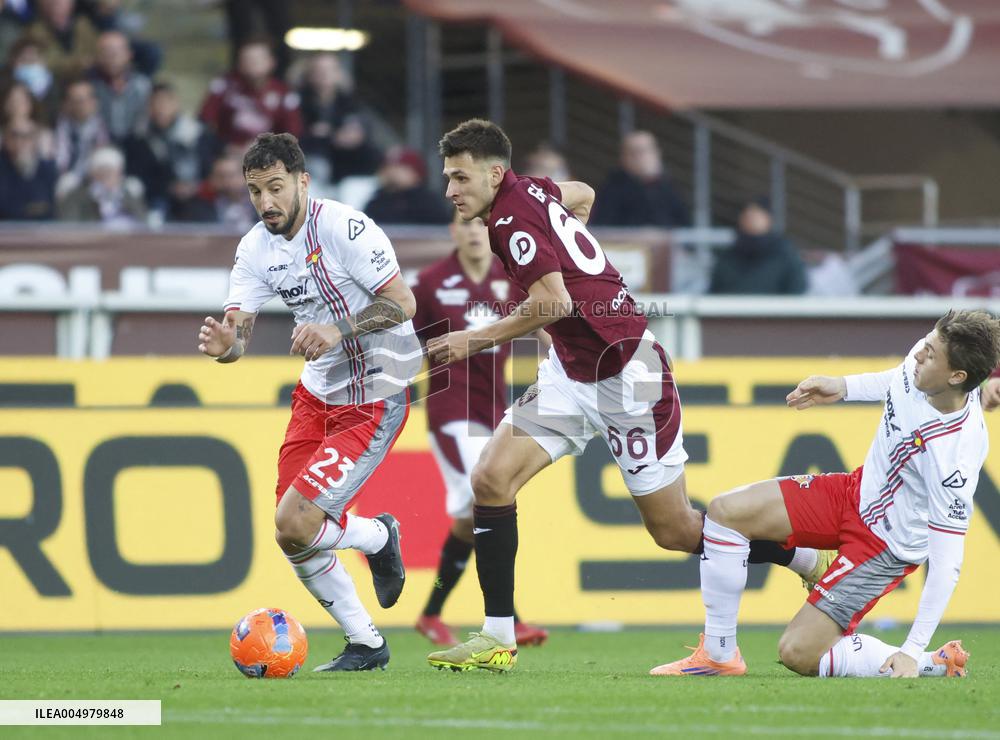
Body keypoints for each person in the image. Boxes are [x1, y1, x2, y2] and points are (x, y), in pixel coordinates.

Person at [424, 119, 812, 673]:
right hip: (572, 372)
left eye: (459, 178)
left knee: (674, 530)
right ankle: (496, 636)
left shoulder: (510, 219)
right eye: (447, 178)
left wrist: (474, 339)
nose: (450, 190)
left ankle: (802, 556)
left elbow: (553, 304)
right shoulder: (531, 190)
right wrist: (571, 242)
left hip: (627, 376)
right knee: (490, 479)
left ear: (493, 173)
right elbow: (583, 195)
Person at [651, 309, 1000, 678]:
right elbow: (898, 381)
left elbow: (947, 564)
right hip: (853, 493)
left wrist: (913, 649)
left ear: (957, 376)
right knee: (726, 512)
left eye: (930, 354)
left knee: (798, 653)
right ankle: (719, 656)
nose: (918, 354)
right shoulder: (926, 364)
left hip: (883, 548)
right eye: (926, 343)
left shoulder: (957, 455)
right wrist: (844, 386)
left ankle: (930, 662)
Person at [196, 132, 422, 672]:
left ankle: (376, 537)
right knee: (289, 530)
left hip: (376, 392)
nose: (266, 202)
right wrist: (229, 350)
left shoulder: (346, 228)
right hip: (317, 393)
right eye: (255, 192)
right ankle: (366, 640)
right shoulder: (254, 247)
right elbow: (239, 333)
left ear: (302, 181)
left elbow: (404, 304)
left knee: (299, 521)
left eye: (276, 188)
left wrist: (337, 329)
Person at [410, 208, 549, 648]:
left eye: (478, 224)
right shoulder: (432, 282)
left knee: (472, 518)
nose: (473, 232)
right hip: (450, 411)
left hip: (494, 413)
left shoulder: (512, 281)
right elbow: (405, 344)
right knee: (483, 497)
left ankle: (431, 612)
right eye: (464, 224)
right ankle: (511, 619)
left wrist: (554, 355)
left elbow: (543, 321)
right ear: (453, 230)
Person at [125, 81, 215, 219]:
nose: (161, 108)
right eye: (155, 103)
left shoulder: (197, 134)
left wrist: (194, 188)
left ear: (176, 104)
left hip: (196, 196)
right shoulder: (139, 138)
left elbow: (208, 169)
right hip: (156, 198)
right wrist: (168, 187)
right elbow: (139, 175)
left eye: (166, 102)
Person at [199, 37, 301, 149]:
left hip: (270, 156)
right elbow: (206, 121)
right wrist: (223, 149)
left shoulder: (283, 93)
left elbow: (293, 132)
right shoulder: (224, 86)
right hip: (228, 152)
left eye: (257, 59)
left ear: (271, 62)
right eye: (246, 59)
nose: (251, 64)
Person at [589, 130, 689, 228]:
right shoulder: (612, 188)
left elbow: (684, 225)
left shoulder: (668, 187)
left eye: (645, 151)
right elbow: (602, 228)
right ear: (624, 157)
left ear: (657, 153)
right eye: (634, 152)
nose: (641, 157)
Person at [708, 197, 808, 295]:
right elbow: (715, 289)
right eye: (747, 215)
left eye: (756, 216)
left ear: (768, 218)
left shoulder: (784, 253)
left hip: (772, 311)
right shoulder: (729, 255)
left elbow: (797, 288)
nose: (750, 220)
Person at [56, 143, 145, 224]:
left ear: (119, 174)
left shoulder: (129, 195)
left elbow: (142, 222)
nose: (106, 178)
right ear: (93, 174)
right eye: (102, 172)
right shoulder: (77, 196)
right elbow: (69, 226)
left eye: (110, 172)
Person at [87, 29, 150, 142]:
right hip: (99, 144)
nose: (111, 57)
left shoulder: (143, 85)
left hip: (137, 143)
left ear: (129, 54)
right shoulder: (89, 87)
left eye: (116, 52)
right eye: (105, 52)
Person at [363, 147, 452, 225]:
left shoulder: (428, 202)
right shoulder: (378, 200)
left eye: (400, 168)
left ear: (415, 172)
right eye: (388, 167)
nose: (392, 172)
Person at [174, 152, 258, 230]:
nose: (226, 181)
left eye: (231, 175)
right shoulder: (195, 209)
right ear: (212, 179)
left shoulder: (263, 205)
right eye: (220, 176)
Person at [0, 118, 57, 219]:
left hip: (40, 230)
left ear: (34, 140)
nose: (19, 141)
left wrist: (27, 171)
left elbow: (47, 207)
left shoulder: (48, 168)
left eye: (26, 136)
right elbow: (5, 207)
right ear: (6, 140)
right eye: (14, 135)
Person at [52, 75, 108, 176]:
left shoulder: (106, 126)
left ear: (95, 101)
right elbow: (61, 160)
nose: (81, 105)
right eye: (76, 101)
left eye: (84, 99)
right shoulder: (60, 127)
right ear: (67, 104)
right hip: (69, 178)